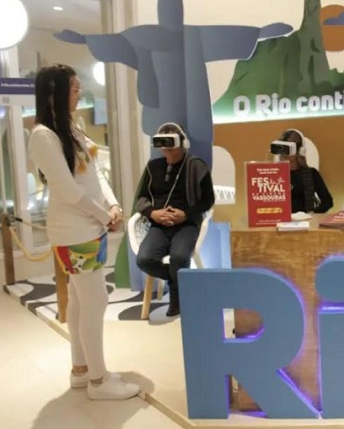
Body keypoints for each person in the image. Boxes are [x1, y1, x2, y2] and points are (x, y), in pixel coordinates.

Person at [28, 64, 141, 400]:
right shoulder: (43, 136)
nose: (79, 94)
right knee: (95, 300)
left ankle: (82, 369)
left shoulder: (71, 128)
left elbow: (95, 173)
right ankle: (99, 380)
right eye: (74, 89)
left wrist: (113, 205)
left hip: (90, 228)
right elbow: (67, 190)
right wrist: (104, 216)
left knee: (80, 300)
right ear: (54, 93)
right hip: (75, 231)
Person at [135, 122, 215, 317]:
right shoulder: (153, 167)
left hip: (186, 225)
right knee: (144, 260)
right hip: (158, 225)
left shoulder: (196, 166)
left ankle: (176, 299)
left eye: (171, 145)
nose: (166, 150)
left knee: (179, 258)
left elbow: (208, 200)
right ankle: (176, 281)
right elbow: (141, 198)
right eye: (163, 145)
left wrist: (185, 214)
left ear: (183, 144)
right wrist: (153, 213)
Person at [271, 129, 333, 214]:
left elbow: (328, 202)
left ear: (300, 150)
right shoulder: (272, 174)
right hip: (280, 219)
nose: (285, 153)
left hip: (305, 220)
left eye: (289, 148)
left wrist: (313, 213)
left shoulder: (311, 174)